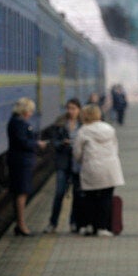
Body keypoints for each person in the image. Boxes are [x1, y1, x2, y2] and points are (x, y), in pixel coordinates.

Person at [73, 105, 125, 237]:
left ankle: (90, 226)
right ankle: (103, 227)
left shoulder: (83, 131)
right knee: (106, 198)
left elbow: (77, 153)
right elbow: (115, 148)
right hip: (110, 168)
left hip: (92, 168)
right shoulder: (109, 129)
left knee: (90, 198)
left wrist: (82, 161)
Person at [7, 97, 47, 236]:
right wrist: (37, 144)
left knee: (21, 191)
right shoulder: (18, 123)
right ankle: (21, 224)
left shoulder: (17, 122)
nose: (30, 113)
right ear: (24, 110)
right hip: (21, 162)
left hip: (21, 161)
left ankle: (20, 223)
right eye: (29, 111)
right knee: (21, 192)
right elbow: (22, 142)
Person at [43, 98, 82, 234]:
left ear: (79, 110)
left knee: (77, 195)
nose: (71, 111)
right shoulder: (60, 124)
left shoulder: (83, 124)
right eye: (69, 108)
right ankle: (52, 223)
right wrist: (62, 143)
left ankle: (74, 222)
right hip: (63, 163)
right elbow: (54, 141)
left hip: (77, 164)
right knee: (59, 193)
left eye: (73, 108)